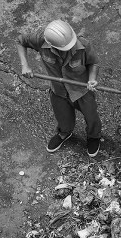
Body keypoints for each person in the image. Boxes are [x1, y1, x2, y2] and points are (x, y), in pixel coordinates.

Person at [16, 19, 102, 156]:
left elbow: (94, 63)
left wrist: (92, 79)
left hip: (81, 91)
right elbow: (21, 41)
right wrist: (24, 65)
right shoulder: (40, 39)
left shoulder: (84, 45)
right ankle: (64, 133)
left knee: (92, 117)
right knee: (63, 118)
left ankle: (94, 136)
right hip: (58, 90)